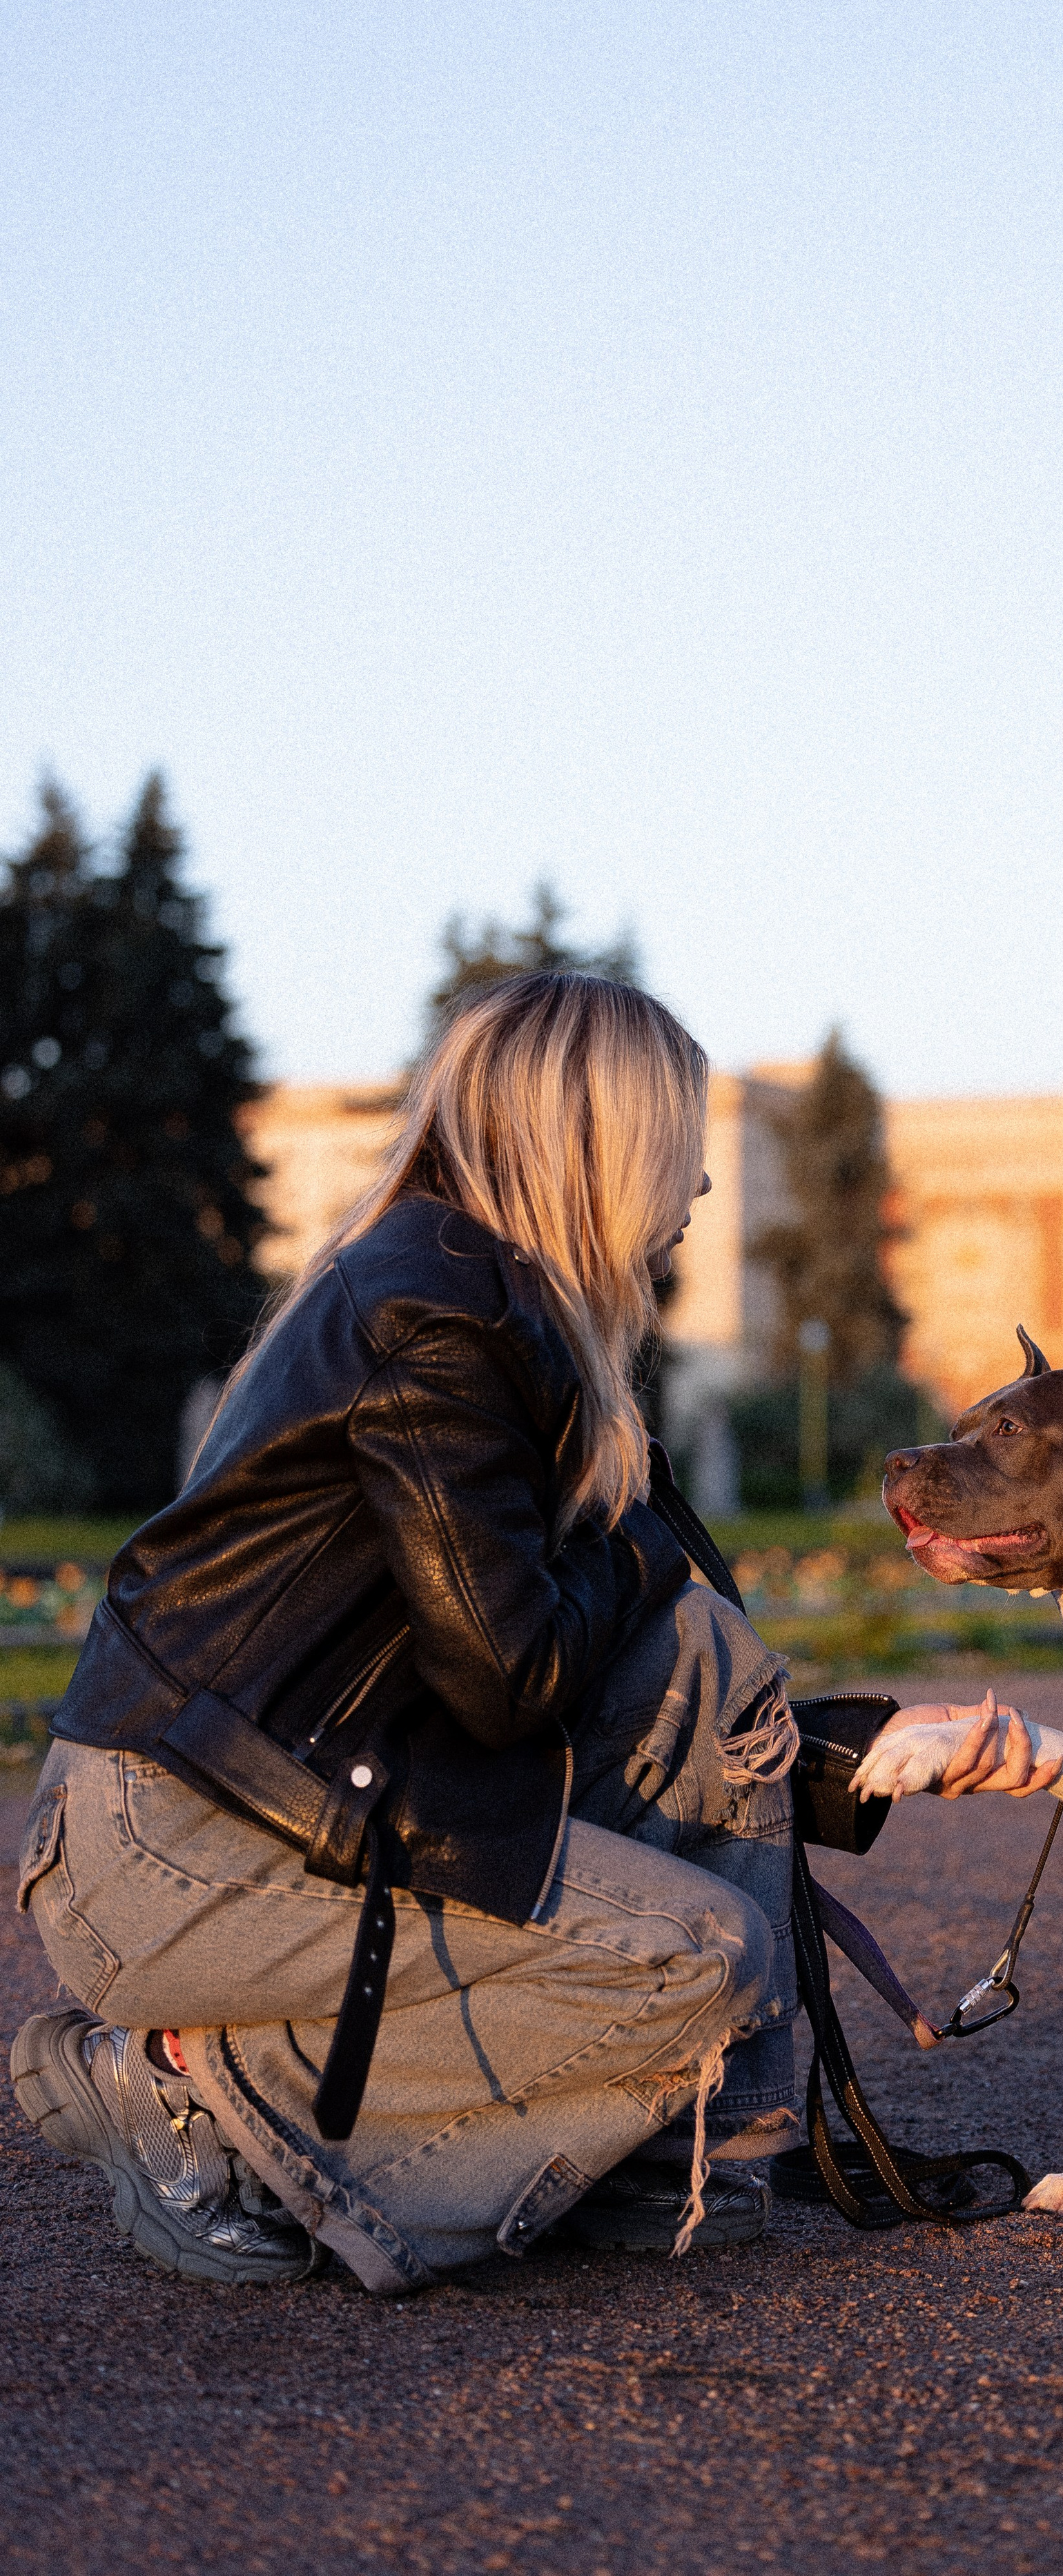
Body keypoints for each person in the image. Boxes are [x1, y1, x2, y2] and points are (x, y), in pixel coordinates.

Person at [11, 972, 803, 2293]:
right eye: (681, 1145)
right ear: (598, 1144)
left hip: (286, 1802)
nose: (702, 1187)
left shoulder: (471, 1292)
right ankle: (185, 2088)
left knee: (705, 1661)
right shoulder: (441, 1318)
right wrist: (640, 1542)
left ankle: (684, 2144)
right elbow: (509, 1678)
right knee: (700, 1957)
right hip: (169, 1849)